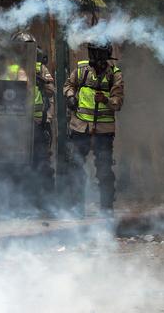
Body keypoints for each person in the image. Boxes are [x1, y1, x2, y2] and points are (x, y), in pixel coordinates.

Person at [64, 41, 124, 215]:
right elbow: (69, 85)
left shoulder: (115, 75)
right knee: (75, 167)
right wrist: (70, 98)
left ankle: (106, 209)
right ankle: (76, 208)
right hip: (80, 127)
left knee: (104, 170)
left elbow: (118, 102)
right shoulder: (82, 70)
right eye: (92, 54)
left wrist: (105, 100)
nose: (94, 59)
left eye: (97, 54)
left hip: (103, 131)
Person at [11, 32, 56, 214]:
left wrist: (41, 82)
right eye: (22, 48)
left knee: (42, 163)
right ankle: (20, 205)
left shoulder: (40, 68)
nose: (25, 52)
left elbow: (51, 91)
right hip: (15, 125)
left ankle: (45, 204)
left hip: (38, 123)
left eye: (27, 48)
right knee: (18, 164)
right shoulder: (11, 68)